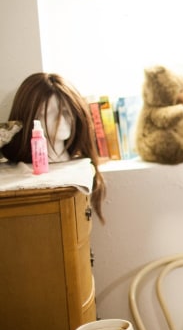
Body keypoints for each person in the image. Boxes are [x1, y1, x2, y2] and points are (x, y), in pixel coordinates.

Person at [1, 73, 107, 222]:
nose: (61, 120)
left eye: (65, 112)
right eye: (48, 113)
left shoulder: (81, 169)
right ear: (32, 118)